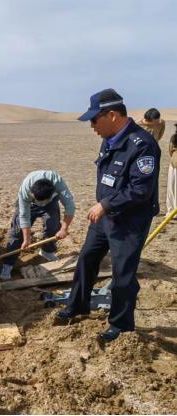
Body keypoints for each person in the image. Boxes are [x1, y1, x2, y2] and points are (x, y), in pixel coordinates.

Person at [56, 88, 160, 342]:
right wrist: (104, 207)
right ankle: (77, 305)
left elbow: (141, 190)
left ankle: (121, 325)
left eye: (94, 119)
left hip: (129, 221)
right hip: (105, 217)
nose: (92, 125)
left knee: (122, 275)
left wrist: (105, 204)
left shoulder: (142, 145)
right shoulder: (110, 139)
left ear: (112, 115)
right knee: (87, 260)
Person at [0, 170, 75, 280]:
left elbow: (70, 207)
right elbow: (24, 216)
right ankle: (8, 264)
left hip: (51, 203)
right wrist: (26, 239)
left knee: (53, 226)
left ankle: (47, 251)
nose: (41, 204)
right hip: (29, 204)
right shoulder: (25, 190)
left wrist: (64, 228)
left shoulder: (58, 183)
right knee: (17, 232)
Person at [167, 124, 177, 216]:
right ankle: (171, 211)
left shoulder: (174, 137)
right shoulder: (174, 138)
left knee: (172, 189)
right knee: (172, 189)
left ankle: (172, 211)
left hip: (173, 164)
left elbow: (170, 150)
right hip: (173, 165)